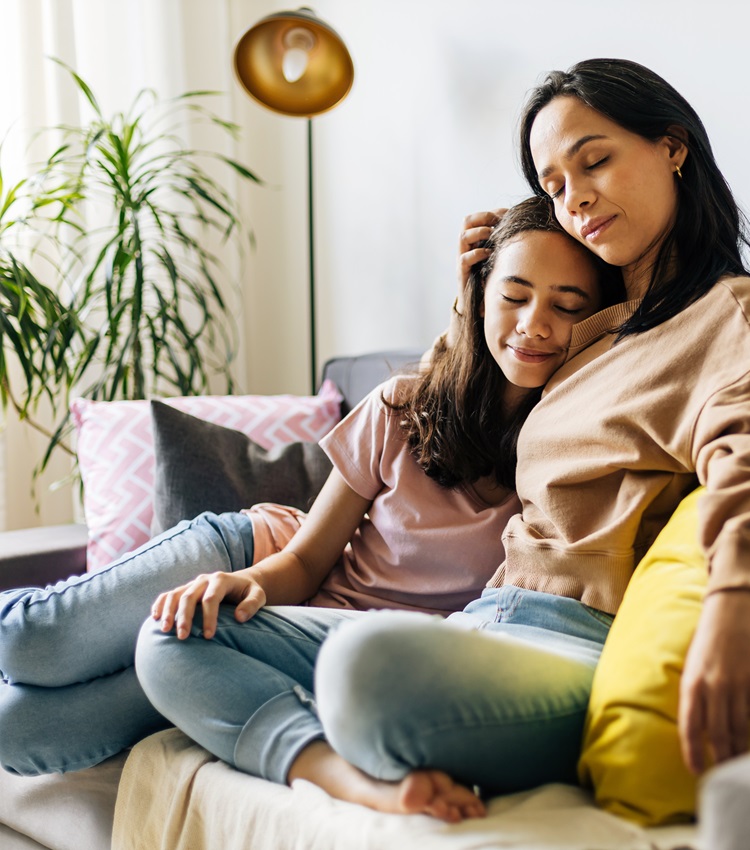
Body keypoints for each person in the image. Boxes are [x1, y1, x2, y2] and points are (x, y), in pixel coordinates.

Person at [288, 57, 750, 820]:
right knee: (180, 639)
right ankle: (329, 758)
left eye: (595, 161)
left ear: (673, 148)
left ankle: (323, 742)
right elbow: (466, 400)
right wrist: (471, 297)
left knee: (360, 667)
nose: (573, 198)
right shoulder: (594, 334)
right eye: (552, 185)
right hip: (484, 619)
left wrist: (738, 601)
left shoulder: (727, 314)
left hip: (572, 643)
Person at [0, 196, 618, 786]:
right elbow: (306, 559)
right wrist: (254, 584)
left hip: (312, 648)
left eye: (568, 306)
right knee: (31, 642)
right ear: (480, 296)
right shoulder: (403, 407)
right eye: (514, 295)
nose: (535, 325)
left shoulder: (570, 461)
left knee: (19, 730)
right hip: (258, 557)